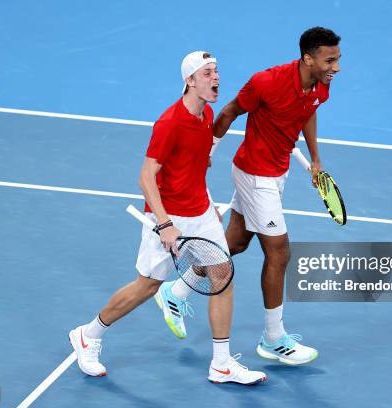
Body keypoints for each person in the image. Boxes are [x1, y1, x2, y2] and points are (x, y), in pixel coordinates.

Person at [69, 51, 266, 385]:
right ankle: (89, 334)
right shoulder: (170, 122)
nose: (216, 78)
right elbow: (146, 177)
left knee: (222, 275)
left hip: (200, 211)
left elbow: (197, 165)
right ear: (189, 80)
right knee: (147, 287)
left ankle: (221, 363)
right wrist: (164, 224)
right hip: (169, 215)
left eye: (216, 71)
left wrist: (207, 205)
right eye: (207, 73)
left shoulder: (206, 116)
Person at [159, 27, 341, 365]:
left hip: (277, 172)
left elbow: (309, 111)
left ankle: (176, 290)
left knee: (235, 243)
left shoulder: (320, 86)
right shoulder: (267, 83)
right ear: (308, 59)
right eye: (330, 60)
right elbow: (228, 112)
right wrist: (206, 150)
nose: (336, 67)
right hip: (256, 175)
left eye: (337, 59)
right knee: (279, 253)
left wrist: (315, 160)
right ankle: (273, 338)